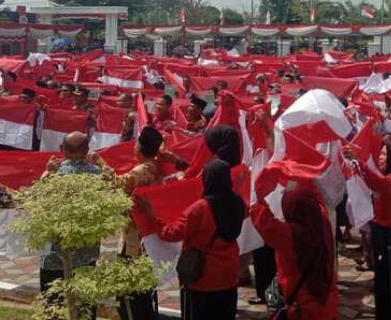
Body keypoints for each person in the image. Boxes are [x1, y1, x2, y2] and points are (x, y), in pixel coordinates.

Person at [139, 159, 246, 320]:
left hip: (203, 277)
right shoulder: (238, 203)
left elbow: (172, 233)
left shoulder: (200, 209)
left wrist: (152, 215)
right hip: (229, 274)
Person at [251, 168, 338, 320]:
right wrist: (303, 174)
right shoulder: (323, 223)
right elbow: (316, 198)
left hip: (303, 307)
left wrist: (258, 197)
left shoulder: (292, 235)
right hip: (327, 300)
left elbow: (265, 223)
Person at [98, 127, 163, 320]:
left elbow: (116, 188)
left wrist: (100, 163)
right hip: (147, 236)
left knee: (128, 294)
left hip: (133, 238)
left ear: (140, 149)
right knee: (142, 292)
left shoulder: (139, 171)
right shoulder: (156, 167)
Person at [344, 141, 391, 320]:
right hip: (384, 233)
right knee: (383, 279)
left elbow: (378, 184)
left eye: (385, 155)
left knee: (390, 280)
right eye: (381, 154)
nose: (382, 158)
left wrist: (359, 161)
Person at [40, 132, 102, 320]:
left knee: (53, 305)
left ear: (62, 150)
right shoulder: (98, 175)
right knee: (85, 305)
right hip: (87, 252)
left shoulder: (54, 176)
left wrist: (47, 172)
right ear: (86, 150)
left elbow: (39, 205)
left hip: (55, 254)